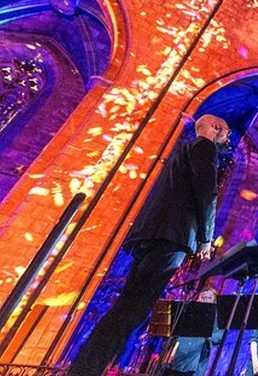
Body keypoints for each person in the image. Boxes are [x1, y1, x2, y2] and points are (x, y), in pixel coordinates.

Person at [68, 114, 229, 376]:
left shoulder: (182, 150)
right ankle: (85, 371)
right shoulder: (205, 148)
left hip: (151, 234)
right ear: (215, 128)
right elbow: (207, 194)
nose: (227, 139)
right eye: (226, 133)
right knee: (134, 311)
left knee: (126, 307)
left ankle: (84, 367)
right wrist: (205, 239)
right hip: (172, 237)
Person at [165, 288, 223, 376]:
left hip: (197, 359)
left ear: (215, 301)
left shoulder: (216, 320)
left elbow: (219, 336)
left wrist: (206, 335)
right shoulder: (188, 315)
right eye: (203, 297)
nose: (206, 300)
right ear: (198, 299)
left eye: (209, 298)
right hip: (179, 357)